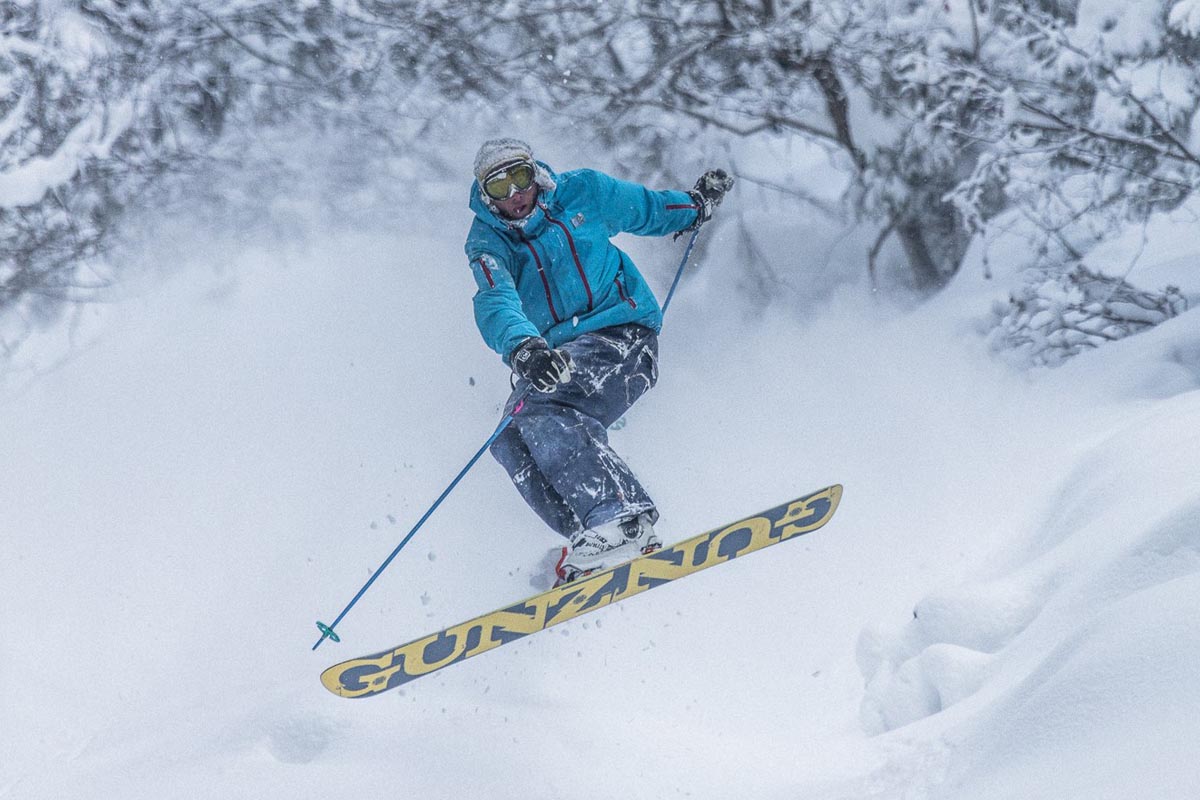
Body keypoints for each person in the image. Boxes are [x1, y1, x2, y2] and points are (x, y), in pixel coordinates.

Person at [464, 138, 732, 584]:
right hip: (556, 355)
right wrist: (524, 348)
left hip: (622, 333)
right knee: (510, 435)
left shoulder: (582, 192)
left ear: (537, 173)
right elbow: (495, 301)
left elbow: (645, 208)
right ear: (484, 194)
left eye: (521, 178)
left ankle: (620, 518)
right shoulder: (488, 242)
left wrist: (696, 204)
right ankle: (595, 535)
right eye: (499, 186)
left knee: (547, 410)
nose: (515, 195)